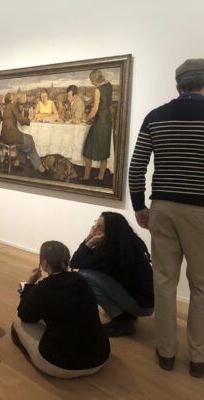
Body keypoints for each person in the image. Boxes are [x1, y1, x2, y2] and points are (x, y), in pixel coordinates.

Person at [129, 59, 204, 378]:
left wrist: (139, 205)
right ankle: (198, 359)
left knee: (164, 281)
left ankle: (166, 353)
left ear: (178, 86)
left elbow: (136, 166)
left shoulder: (156, 116)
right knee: (201, 286)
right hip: (201, 211)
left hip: (163, 207)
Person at [12, 241, 110, 378]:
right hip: (100, 357)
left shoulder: (42, 289)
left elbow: (24, 315)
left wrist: (29, 285)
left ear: (44, 264)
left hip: (62, 364)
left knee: (17, 319)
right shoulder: (82, 281)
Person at [70, 212, 154, 337]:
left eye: (99, 227)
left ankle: (122, 321)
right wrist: (90, 237)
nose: (94, 229)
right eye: (95, 224)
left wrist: (89, 241)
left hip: (141, 306)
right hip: (146, 302)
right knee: (89, 273)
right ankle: (127, 312)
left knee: (84, 276)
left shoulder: (111, 252)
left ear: (109, 233)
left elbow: (75, 262)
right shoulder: (127, 243)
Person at [1, 92, 48, 175]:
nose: (15, 98)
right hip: (11, 135)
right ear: (11, 99)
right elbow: (21, 120)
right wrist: (29, 119)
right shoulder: (11, 106)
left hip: (5, 136)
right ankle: (40, 168)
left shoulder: (7, 107)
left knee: (29, 138)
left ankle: (17, 164)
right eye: (13, 97)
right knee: (29, 142)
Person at [82, 70, 113, 181]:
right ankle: (100, 176)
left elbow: (95, 110)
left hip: (99, 121)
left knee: (87, 150)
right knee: (104, 150)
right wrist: (91, 100)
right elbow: (103, 100)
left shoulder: (97, 90)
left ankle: (86, 176)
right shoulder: (109, 86)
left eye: (92, 81)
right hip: (107, 121)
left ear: (96, 80)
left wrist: (86, 118)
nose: (91, 83)